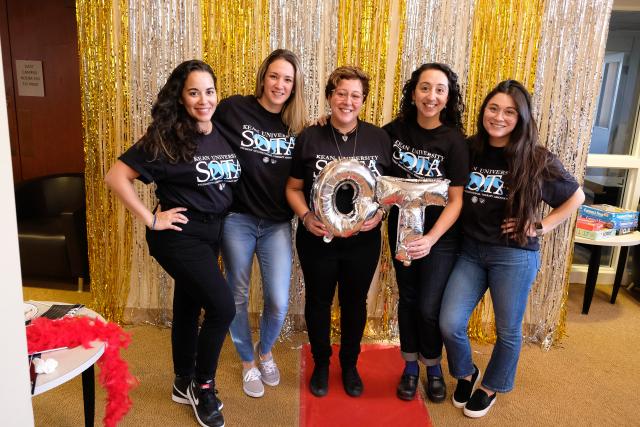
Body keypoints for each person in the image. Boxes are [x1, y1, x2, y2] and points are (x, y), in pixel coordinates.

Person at [105, 60, 240, 427]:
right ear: (181, 98)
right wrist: (152, 218)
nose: (203, 100)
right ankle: (203, 385)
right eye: (193, 92)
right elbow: (116, 176)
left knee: (189, 302)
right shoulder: (166, 137)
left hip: (212, 233)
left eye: (209, 91)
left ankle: (183, 380)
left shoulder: (221, 131)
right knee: (222, 307)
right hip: (179, 236)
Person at [439, 80, 585, 418]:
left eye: (509, 112)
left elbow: (576, 196)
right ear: (483, 111)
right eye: (493, 108)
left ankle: (491, 386)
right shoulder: (469, 147)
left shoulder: (536, 157)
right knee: (449, 322)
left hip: (514, 256)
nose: (499, 117)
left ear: (521, 117)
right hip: (471, 251)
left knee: (507, 330)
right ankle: (465, 372)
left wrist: (539, 226)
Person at [286, 66, 392, 398]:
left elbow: (389, 191)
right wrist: (305, 217)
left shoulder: (379, 138)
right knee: (318, 300)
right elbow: (292, 188)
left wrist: (382, 213)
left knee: (354, 302)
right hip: (317, 237)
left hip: (363, 240)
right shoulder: (310, 136)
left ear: (364, 100)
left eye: (355, 95)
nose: (347, 101)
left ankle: (349, 365)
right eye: (341, 93)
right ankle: (320, 362)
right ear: (330, 96)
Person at [213, 49, 307, 398]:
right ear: (263, 76)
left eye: (287, 80)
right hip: (237, 218)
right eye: (274, 76)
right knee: (235, 294)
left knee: (279, 300)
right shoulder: (233, 109)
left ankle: (265, 351)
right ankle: (246, 361)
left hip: (277, 224)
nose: (279, 85)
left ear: (295, 86)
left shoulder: (297, 126)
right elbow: (203, 136)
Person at [383, 63, 469, 402]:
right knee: (409, 300)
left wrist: (431, 239)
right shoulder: (393, 132)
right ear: (413, 92)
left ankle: (433, 367)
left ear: (448, 98)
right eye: (424, 88)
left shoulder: (454, 141)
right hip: (401, 230)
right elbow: (360, 147)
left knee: (429, 306)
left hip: (440, 239)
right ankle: (410, 368)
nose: (431, 96)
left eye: (439, 90)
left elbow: (457, 200)